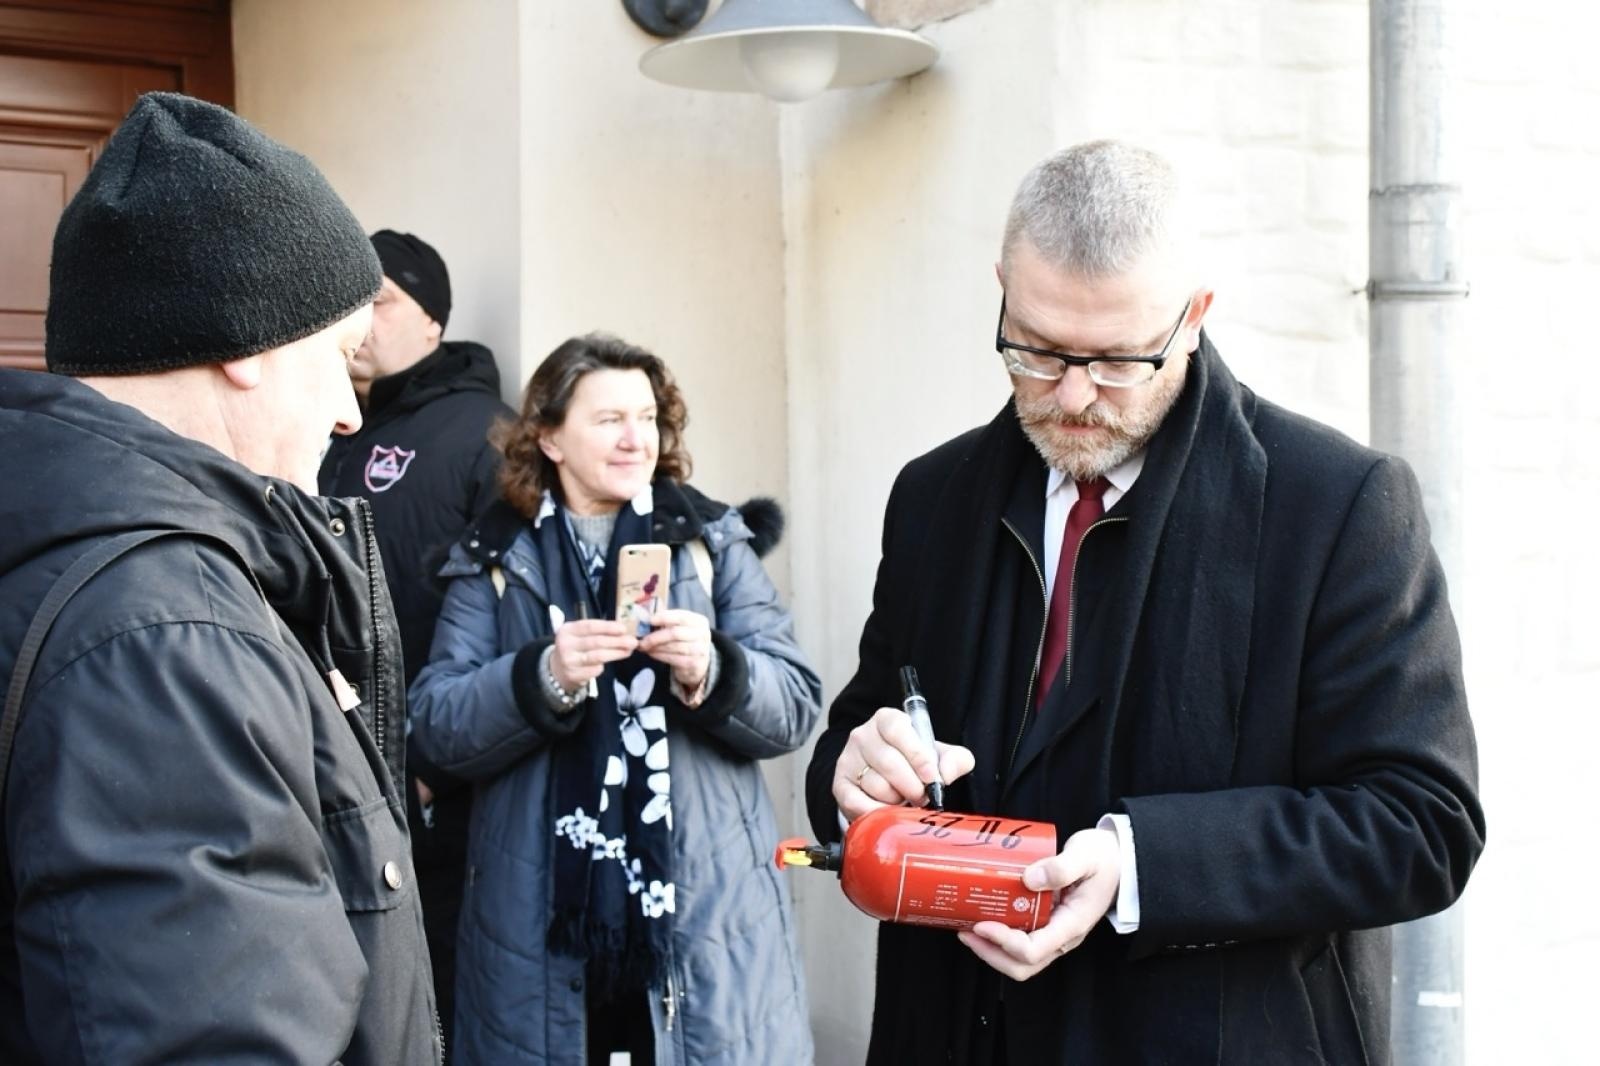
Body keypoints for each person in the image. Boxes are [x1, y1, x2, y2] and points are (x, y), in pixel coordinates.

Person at [804, 140, 1485, 1065]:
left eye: (1121, 360)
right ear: (1002, 288)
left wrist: (1143, 864)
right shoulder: (932, 496)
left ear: (1195, 315)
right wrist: (853, 777)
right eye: (1038, 351)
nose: (1075, 397)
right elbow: (853, 747)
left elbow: (1421, 823)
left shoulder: (1337, 504)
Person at [0, 93, 440, 1065]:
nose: (346, 415)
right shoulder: (162, 636)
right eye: (337, 360)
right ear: (246, 341)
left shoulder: (120, 581)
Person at [409, 332, 821, 1065]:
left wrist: (712, 671)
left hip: (705, 920)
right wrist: (541, 678)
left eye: (648, 418)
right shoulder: (496, 558)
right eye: (609, 420)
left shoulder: (709, 543)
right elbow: (436, 725)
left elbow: (793, 704)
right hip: (536, 926)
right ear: (549, 437)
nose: (638, 439)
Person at [319, 229, 512, 1053]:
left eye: (381, 299)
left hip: (440, 783)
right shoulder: (333, 427)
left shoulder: (486, 433)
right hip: (332, 759)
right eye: (350, 301)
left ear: (432, 320)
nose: (360, 321)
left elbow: (515, 618)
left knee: (432, 987)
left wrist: (436, 762)